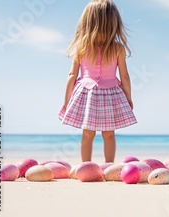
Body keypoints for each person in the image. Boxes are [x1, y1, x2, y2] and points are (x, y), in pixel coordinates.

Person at [59, 0, 137, 163]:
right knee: (109, 134)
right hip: (111, 93)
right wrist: (128, 97)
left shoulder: (81, 46)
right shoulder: (118, 48)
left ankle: (85, 166)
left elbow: (72, 75)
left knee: (87, 134)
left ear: (87, 22)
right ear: (113, 22)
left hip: (87, 93)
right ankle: (109, 166)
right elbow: (125, 77)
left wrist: (66, 101)